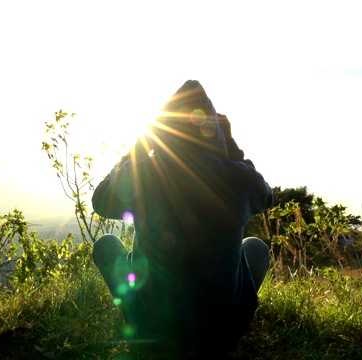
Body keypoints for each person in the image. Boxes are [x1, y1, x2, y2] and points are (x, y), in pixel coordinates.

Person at [91, 80, 273, 353]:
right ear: (213, 132)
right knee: (256, 247)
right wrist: (230, 146)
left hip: (154, 326)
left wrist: (140, 145)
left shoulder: (143, 172)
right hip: (222, 331)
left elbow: (100, 200)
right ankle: (220, 328)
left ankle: (142, 324)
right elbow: (266, 196)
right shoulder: (238, 178)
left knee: (106, 245)